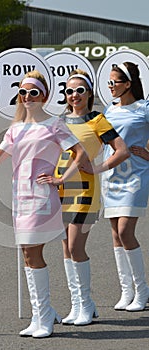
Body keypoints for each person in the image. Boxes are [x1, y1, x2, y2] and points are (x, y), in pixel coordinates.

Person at [0, 70, 88, 338]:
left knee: (33, 253)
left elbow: (80, 153)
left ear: (44, 96)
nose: (27, 97)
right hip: (19, 198)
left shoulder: (54, 125)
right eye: (23, 92)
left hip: (42, 197)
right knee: (27, 255)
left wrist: (60, 177)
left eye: (33, 92)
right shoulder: (15, 129)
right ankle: (42, 314)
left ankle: (44, 317)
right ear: (18, 96)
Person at [51, 69, 129, 326]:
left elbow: (122, 151)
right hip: (60, 190)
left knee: (76, 246)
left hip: (85, 189)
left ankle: (85, 303)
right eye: (70, 91)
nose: (74, 95)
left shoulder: (98, 120)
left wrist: (97, 168)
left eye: (80, 90)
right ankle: (79, 305)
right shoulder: (59, 121)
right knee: (65, 247)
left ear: (89, 94)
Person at [101, 62, 149, 311]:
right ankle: (126, 290)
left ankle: (142, 292)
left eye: (114, 82)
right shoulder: (109, 110)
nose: (110, 86)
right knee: (115, 235)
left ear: (128, 84)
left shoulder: (144, 108)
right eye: (109, 82)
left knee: (125, 232)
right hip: (111, 177)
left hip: (136, 177)